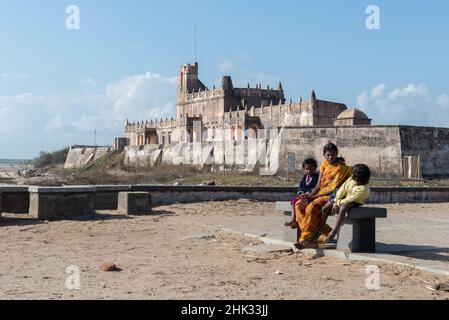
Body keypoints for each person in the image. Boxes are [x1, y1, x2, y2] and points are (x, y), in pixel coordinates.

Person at [293, 143, 352, 249]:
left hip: (331, 196)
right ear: (324, 155)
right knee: (298, 204)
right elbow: (318, 185)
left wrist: (313, 198)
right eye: (328, 155)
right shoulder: (324, 164)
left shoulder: (341, 168)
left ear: (336, 154)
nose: (330, 157)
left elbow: (334, 189)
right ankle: (322, 232)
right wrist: (309, 196)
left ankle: (306, 238)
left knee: (312, 207)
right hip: (319, 193)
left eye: (333, 155)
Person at [322, 164, 371, 243]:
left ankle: (333, 232)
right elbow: (342, 189)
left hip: (355, 201)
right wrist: (336, 201)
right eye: (354, 178)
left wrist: (338, 203)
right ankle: (320, 229)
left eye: (358, 180)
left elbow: (350, 199)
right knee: (324, 208)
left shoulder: (363, 189)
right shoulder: (351, 179)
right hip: (341, 197)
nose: (355, 181)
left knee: (343, 208)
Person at [284, 158, 319, 229]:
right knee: (293, 201)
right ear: (304, 169)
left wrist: (308, 193)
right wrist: (302, 192)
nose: (308, 171)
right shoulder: (305, 177)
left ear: (315, 168)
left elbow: (316, 188)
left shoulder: (317, 177)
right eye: (306, 169)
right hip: (303, 196)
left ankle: (301, 223)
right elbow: (301, 186)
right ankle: (293, 219)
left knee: (301, 205)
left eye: (310, 169)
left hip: (311, 196)